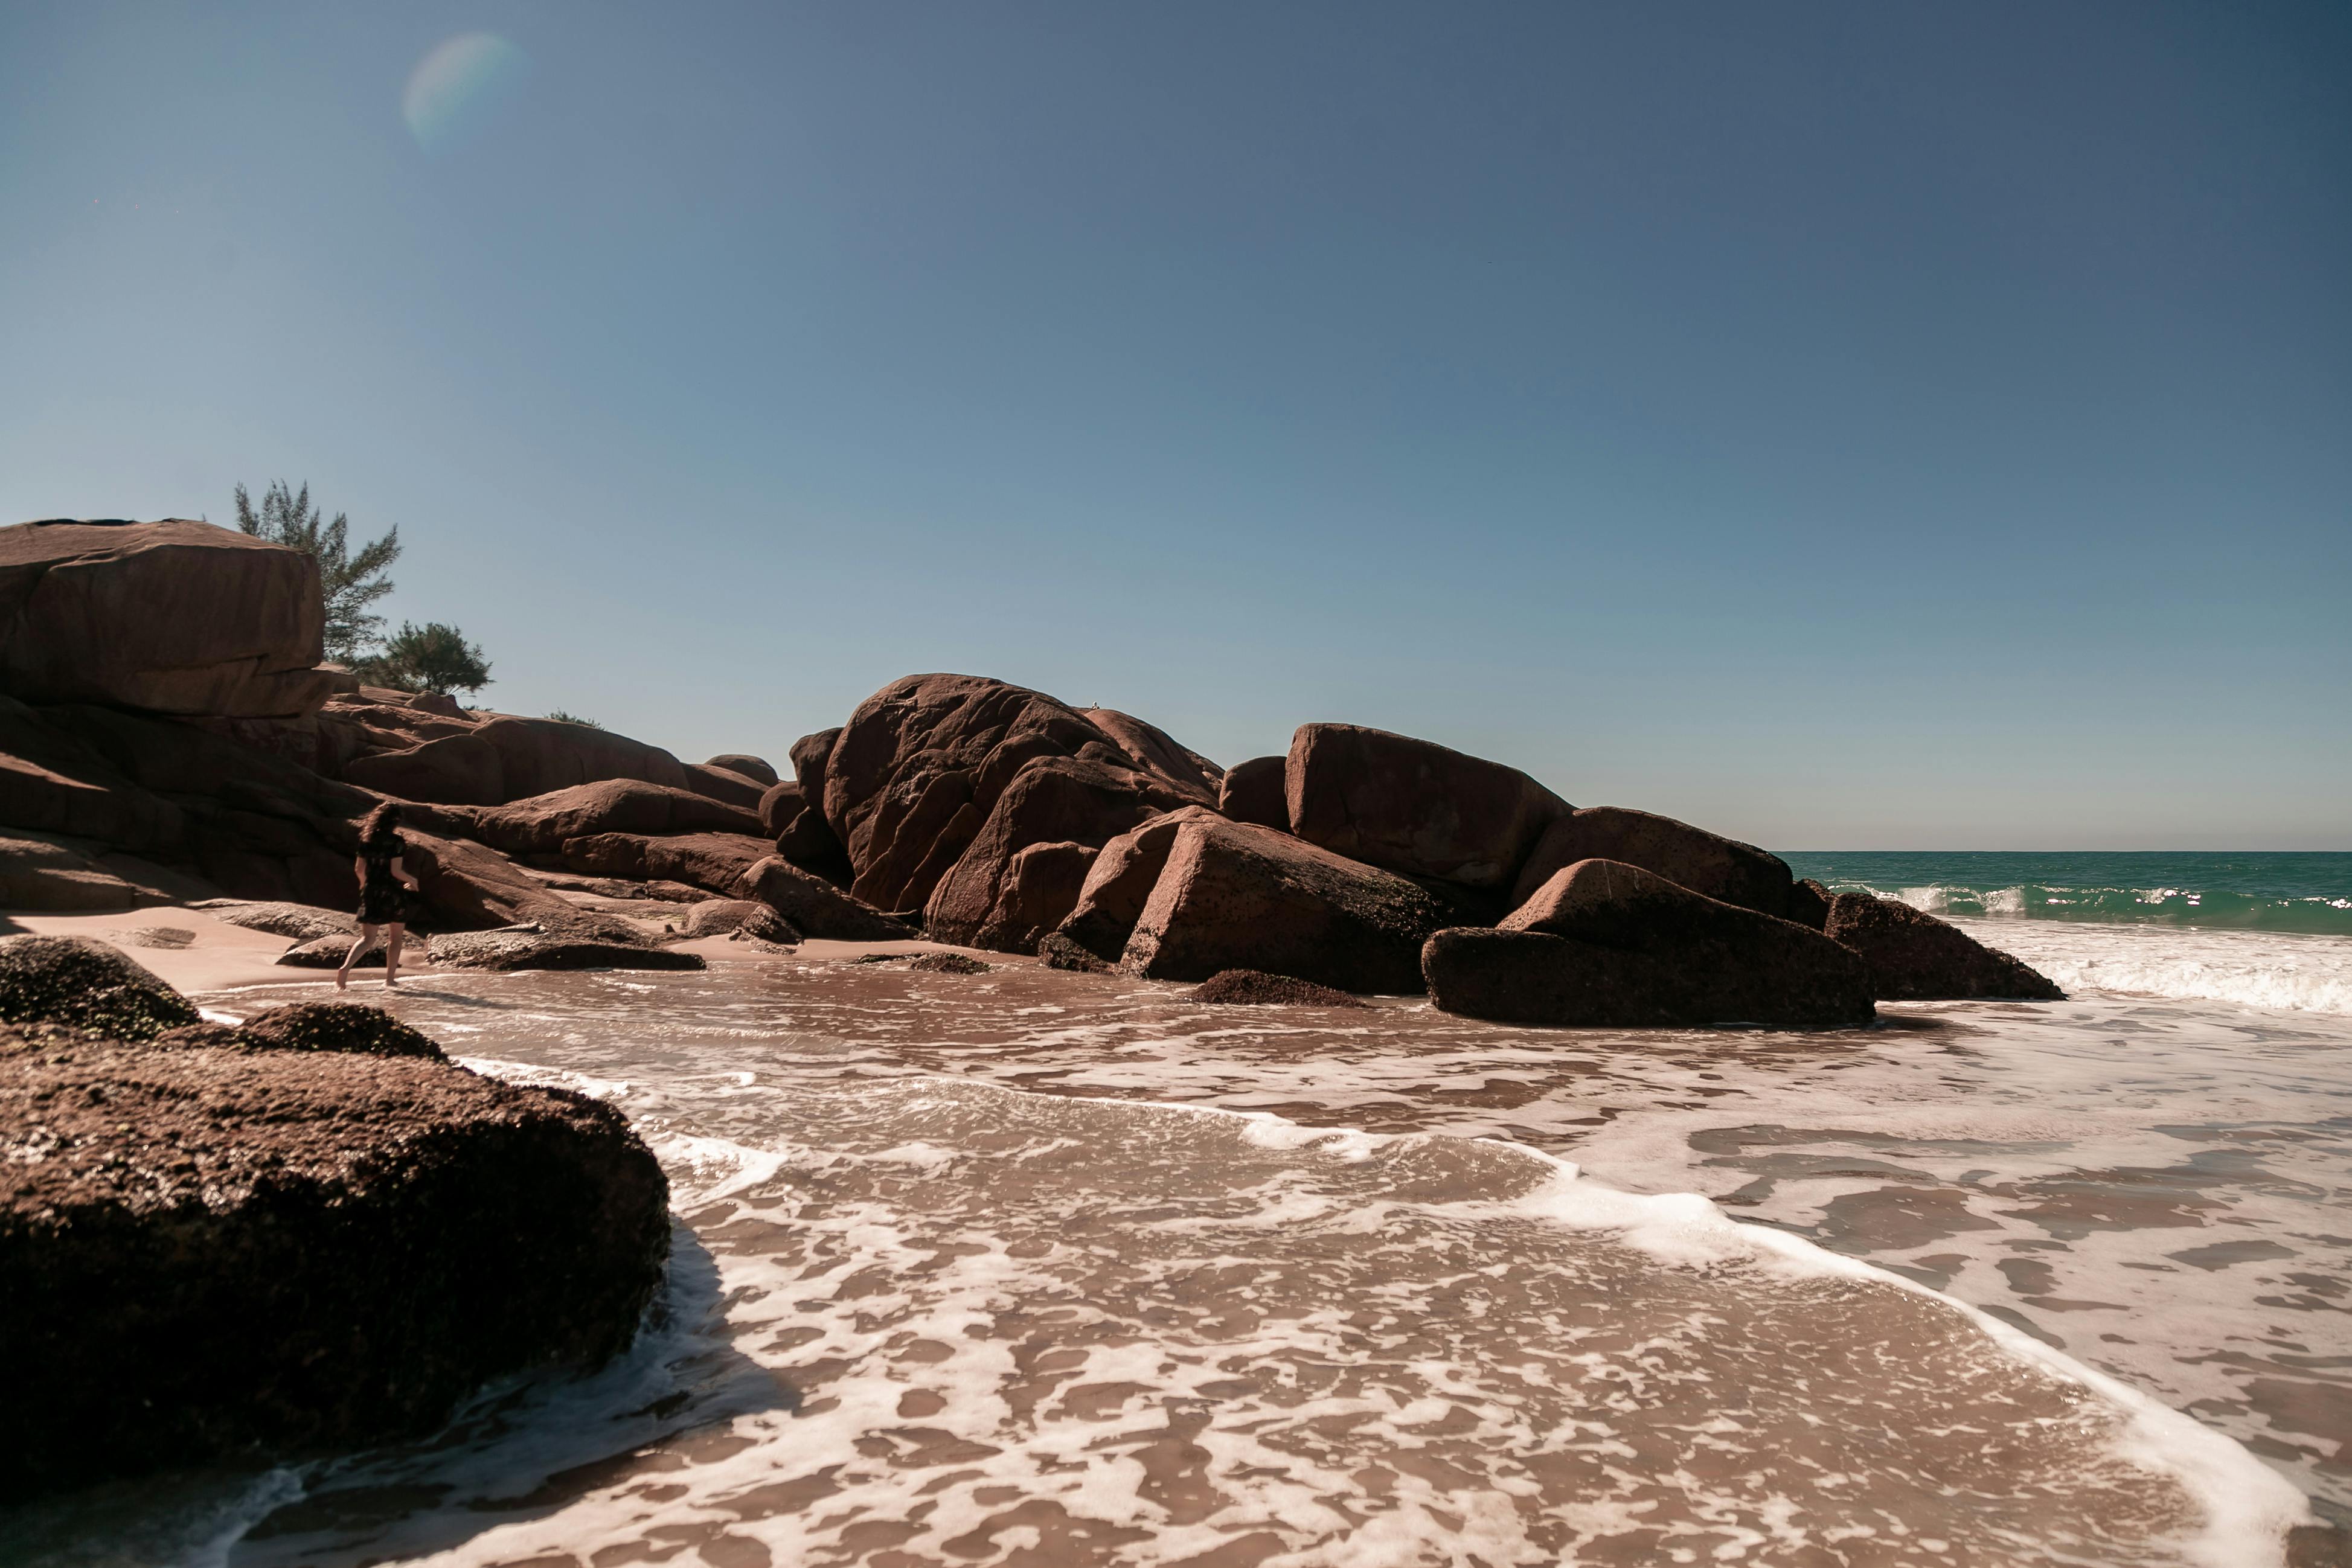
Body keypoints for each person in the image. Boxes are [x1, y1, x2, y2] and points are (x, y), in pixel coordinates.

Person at [339, 802, 423, 990]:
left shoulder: (366, 840)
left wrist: (364, 885)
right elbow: (396, 872)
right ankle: (390, 979)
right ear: (395, 822)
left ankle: (344, 970)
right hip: (393, 893)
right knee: (396, 938)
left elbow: (359, 869)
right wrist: (413, 880)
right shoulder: (397, 842)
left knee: (367, 939)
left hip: (371, 891)